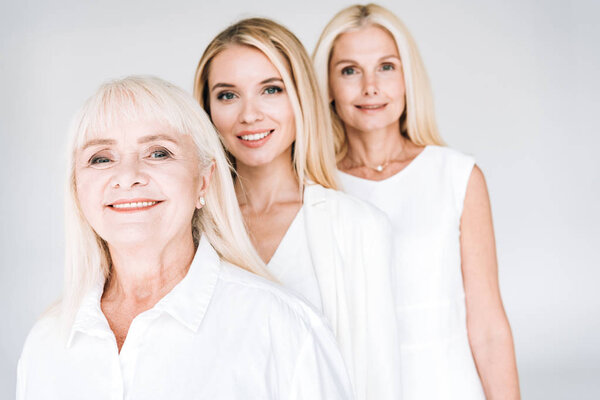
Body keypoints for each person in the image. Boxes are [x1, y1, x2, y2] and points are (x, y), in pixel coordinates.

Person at [16, 76, 353, 400]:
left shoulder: (284, 329)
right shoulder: (46, 343)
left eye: (158, 152)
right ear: (77, 189)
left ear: (203, 182)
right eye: (101, 158)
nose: (128, 176)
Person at [313, 4, 520, 399]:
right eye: (349, 70)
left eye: (386, 67)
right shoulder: (315, 186)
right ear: (326, 86)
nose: (370, 86)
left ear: (409, 77)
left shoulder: (457, 176)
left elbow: (489, 326)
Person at [194, 18, 400, 399]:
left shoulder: (356, 226)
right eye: (227, 95)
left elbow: (376, 379)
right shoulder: (193, 229)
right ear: (206, 109)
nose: (249, 115)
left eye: (271, 89)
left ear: (300, 97)